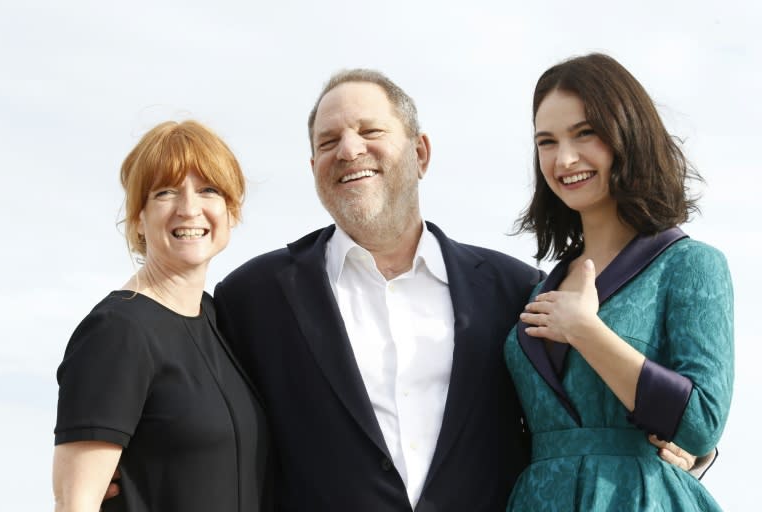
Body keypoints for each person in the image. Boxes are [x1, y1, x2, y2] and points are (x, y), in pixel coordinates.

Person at [211, 69, 699, 511]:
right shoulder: (252, 297)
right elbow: (202, 419)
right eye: (329, 140)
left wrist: (688, 442)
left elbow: (577, 413)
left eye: (370, 131)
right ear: (313, 164)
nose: (348, 149)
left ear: (420, 152)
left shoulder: (516, 292)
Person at [504, 53, 733, 511]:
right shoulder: (536, 287)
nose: (564, 158)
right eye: (546, 142)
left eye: (585, 133)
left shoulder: (690, 265)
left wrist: (586, 331)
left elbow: (702, 422)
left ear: (628, 134)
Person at [52, 121, 270, 512]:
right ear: (138, 217)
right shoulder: (118, 332)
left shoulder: (221, 323)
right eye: (165, 193)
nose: (189, 209)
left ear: (231, 211)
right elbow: (75, 503)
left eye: (208, 190)